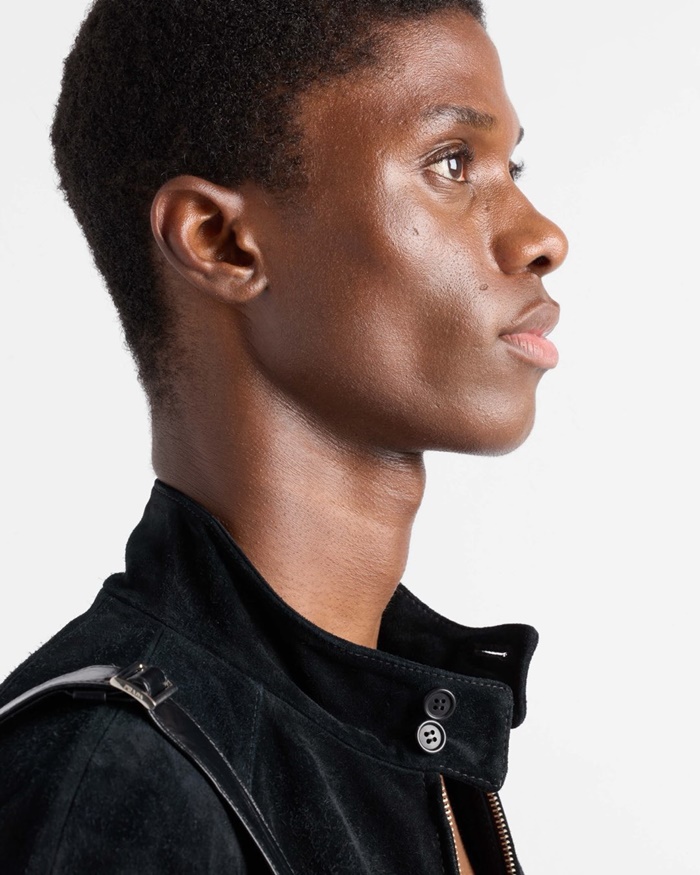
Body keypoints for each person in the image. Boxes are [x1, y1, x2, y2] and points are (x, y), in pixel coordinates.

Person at [0, 0, 567, 872]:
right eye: (452, 162)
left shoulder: (400, 731)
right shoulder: (122, 782)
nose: (542, 237)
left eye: (510, 164)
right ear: (222, 241)